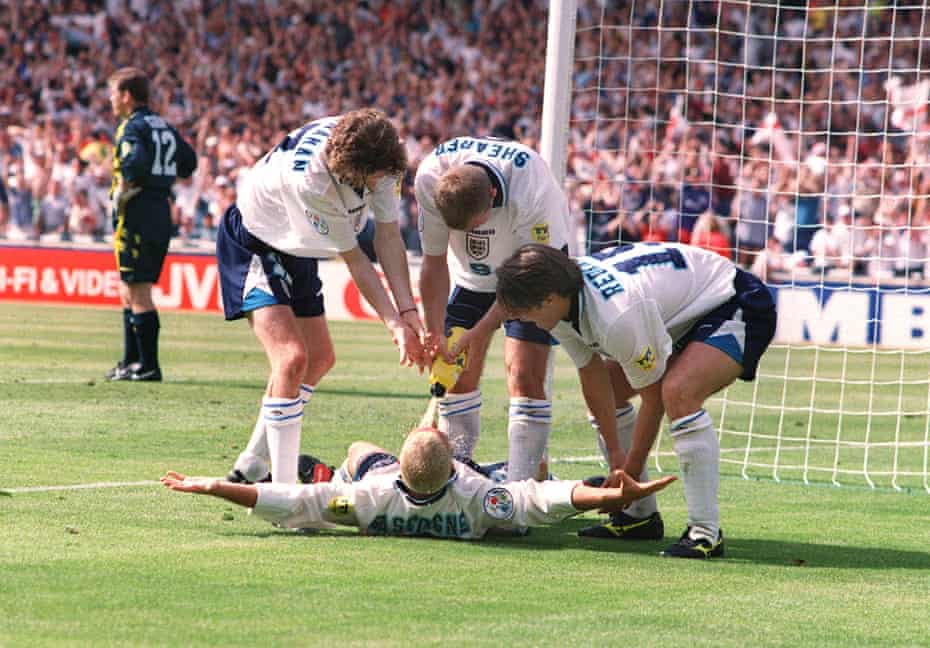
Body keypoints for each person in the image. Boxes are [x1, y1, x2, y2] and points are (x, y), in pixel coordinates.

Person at [494, 243, 777, 558]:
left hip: (732, 300)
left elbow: (653, 400)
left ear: (548, 299)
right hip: (682, 310)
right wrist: (616, 455)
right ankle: (638, 518)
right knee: (615, 390)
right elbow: (591, 371)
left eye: (526, 313)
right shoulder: (560, 297)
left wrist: (629, 471)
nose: (525, 321)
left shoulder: (616, 317)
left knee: (677, 392)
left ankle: (705, 533)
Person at [217, 109, 427, 486]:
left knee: (320, 358)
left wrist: (409, 311)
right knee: (292, 357)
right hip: (257, 237)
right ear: (352, 168)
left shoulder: (381, 150)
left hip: (296, 244)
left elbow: (388, 237)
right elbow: (357, 262)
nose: (381, 183)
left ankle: (249, 466)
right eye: (373, 178)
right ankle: (283, 494)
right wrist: (394, 324)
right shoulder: (312, 183)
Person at [161, 426, 677, 540]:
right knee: (532, 470)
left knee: (358, 450)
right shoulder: (477, 496)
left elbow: (286, 498)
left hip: (375, 480)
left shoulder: (369, 496)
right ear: (454, 465)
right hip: (478, 489)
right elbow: (545, 499)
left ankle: (338, 463)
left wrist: (211, 487)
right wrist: (611, 495)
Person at [415, 135, 571, 482]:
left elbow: (531, 275)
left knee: (523, 374)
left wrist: (480, 330)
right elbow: (434, 262)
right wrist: (434, 331)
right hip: (471, 277)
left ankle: (523, 486)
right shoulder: (429, 177)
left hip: (537, 271)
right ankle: (456, 472)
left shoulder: (529, 188)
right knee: (455, 375)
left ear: (493, 198)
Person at [105, 67, 198, 382]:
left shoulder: (131, 127)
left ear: (127, 96)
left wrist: (124, 190)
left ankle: (148, 365)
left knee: (138, 289)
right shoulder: (165, 126)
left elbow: (134, 165)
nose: (111, 101)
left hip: (138, 211)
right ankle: (131, 361)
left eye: (113, 94)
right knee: (128, 287)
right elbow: (189, 163)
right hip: (160, 209)